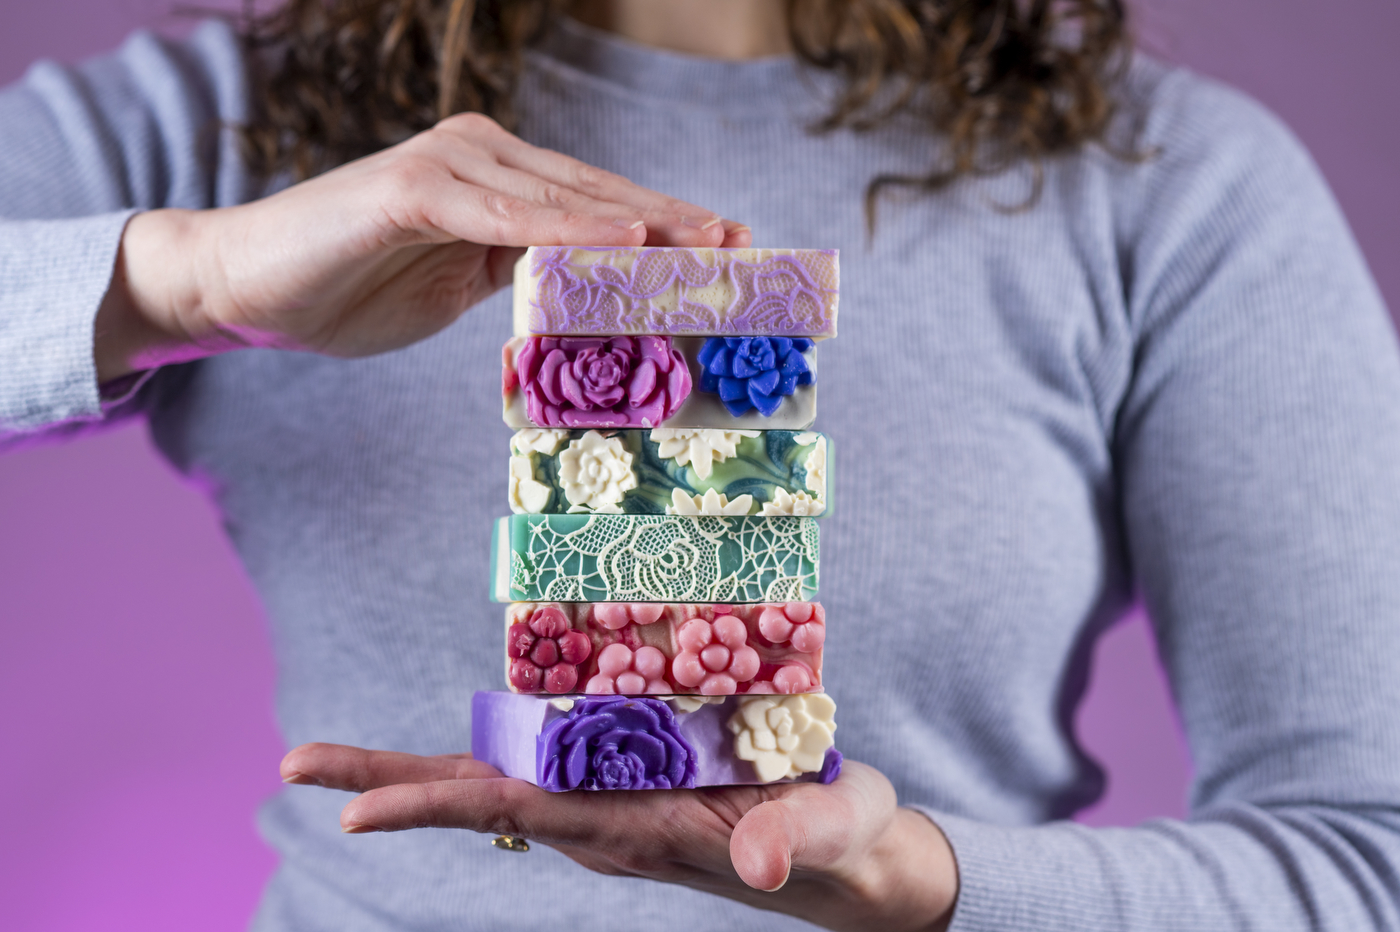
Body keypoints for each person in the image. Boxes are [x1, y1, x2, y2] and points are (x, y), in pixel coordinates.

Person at [3, 1, 1399, 929]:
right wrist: (186, 276)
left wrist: (930, 885)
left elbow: (1365, 856)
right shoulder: (226, 122)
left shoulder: (1176, 183)